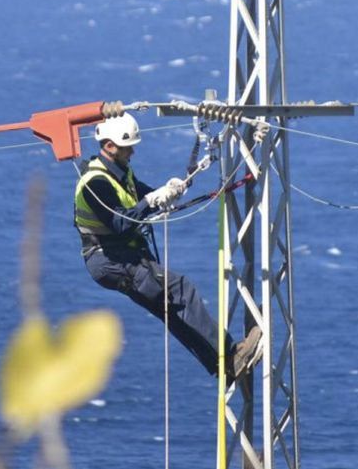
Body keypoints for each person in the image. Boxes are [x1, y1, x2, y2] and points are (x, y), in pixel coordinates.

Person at [75, 113, 263, 383]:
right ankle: (230, 356)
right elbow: (120, 222)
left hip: (120, 257)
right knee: (180, 291)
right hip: (110, 259)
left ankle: (225, 365)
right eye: (127, 147)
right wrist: (152, 201)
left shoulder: (119, 172)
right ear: (109, 146)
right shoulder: (95, 183)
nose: (132, 151)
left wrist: (167, 191)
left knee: (173, 309)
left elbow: (141, 195)